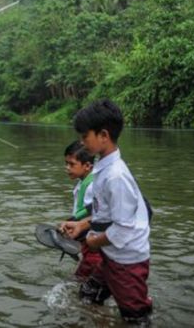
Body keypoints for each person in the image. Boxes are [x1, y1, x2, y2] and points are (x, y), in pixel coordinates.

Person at [62, 99, 152, 325]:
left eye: (85, 137)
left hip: (127, 261)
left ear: (103, 135)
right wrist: (83, 225)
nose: (82, 143)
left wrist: (92, 243)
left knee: (136, 318)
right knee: (87, 297)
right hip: (111, 256)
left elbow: (122, 230)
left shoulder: (116, 176)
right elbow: (107, 215)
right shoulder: (104, 168)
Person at [60, 140, 102, 279]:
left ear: (87, 166)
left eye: (72, 164)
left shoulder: (92, 186)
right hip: (87, 240)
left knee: (80, 280)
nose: (67, 168)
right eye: (66, 163)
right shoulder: (83, 182)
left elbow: (97, 214)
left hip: (93, 242)